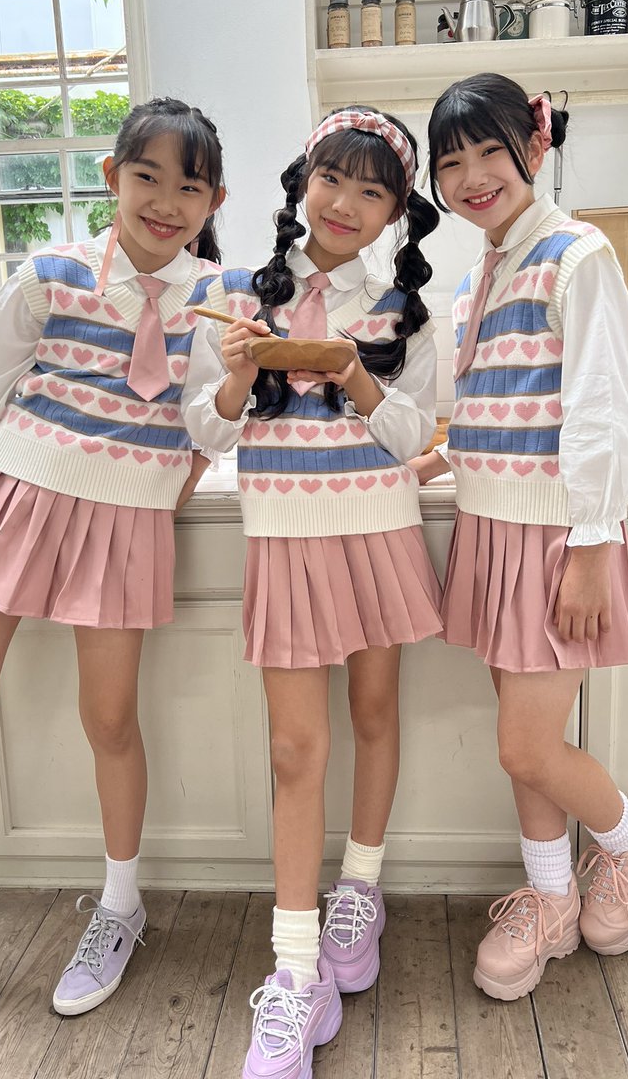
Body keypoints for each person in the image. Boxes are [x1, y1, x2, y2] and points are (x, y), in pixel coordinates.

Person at [0, 97, 227, 1028]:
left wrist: (154, 485)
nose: (165, 201)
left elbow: (209, 427)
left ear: (213, 202)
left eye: (189, 186)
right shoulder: (48, 275)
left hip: (127, 516)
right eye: (147, 176)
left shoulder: (220, 298)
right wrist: (32, 476)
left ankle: (120, 906)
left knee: (110, 719)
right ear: (112, 177)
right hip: (19, 494)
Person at [186, 106, 441, 1077]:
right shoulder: (233, 296)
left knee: (374, 715)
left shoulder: (406, 310)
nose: (346, 203)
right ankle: (295, 973)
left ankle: (360, 891)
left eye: (373, 191)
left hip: (376, 531)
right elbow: (208, 434)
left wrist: (354, 376)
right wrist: (233, 375)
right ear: (303, 182)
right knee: (296, 751)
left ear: (394, 214)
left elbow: (413, 438)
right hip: (283, 537)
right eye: (332, 178)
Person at [418, 73, 628, 1001]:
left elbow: (601, 410)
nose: (474, 177)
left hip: (558, 537)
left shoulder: (577, 254)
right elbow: (496, 408)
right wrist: (433, 463)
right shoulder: (479, 277)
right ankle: (553, 896)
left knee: (526, 747)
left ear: (534, 147)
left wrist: (594, 546)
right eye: (453, 162)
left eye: (491, 151)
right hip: (489, 532)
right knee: (521, 737)